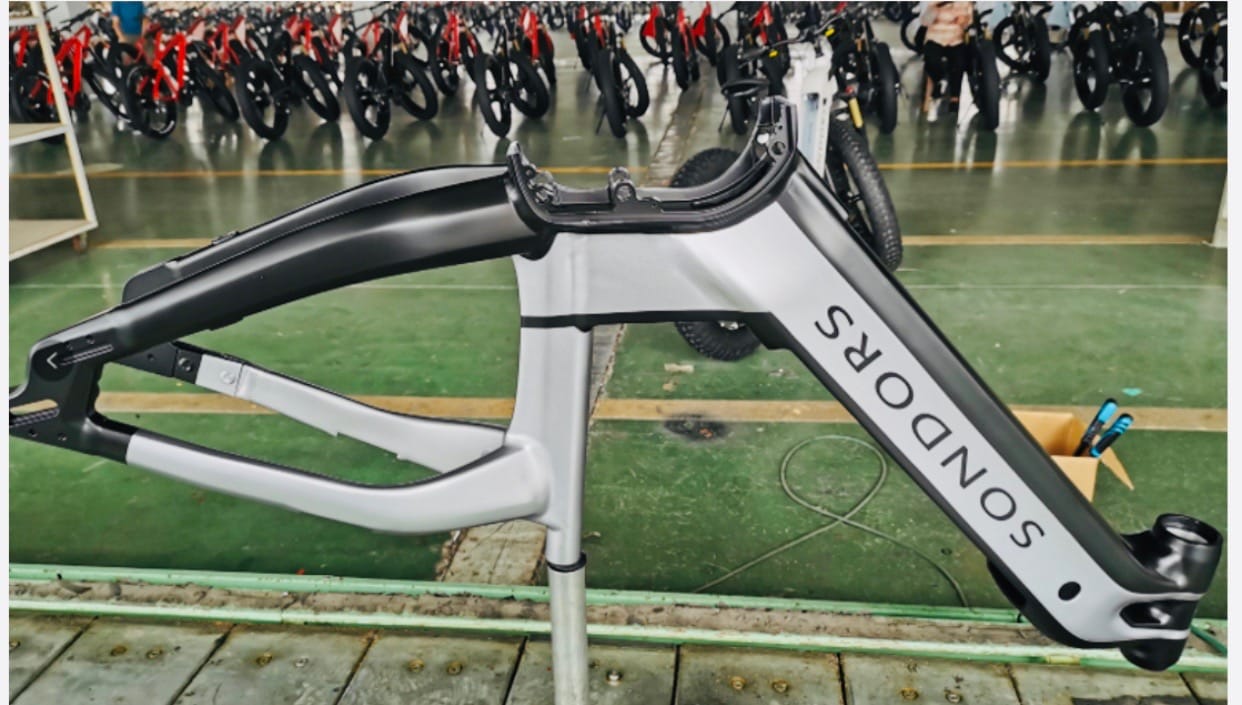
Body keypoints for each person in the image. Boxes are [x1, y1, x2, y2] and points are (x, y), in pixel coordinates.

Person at [919, 1, 972, 113]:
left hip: (955, 39)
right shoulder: (935, 3)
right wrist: (935, 8)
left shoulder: (965, 3)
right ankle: (938, 80)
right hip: (935, 38)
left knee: (959, 63)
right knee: (931, 61)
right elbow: (925, 22)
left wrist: (964, 20)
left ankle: (955, 97)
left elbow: (968, 22)